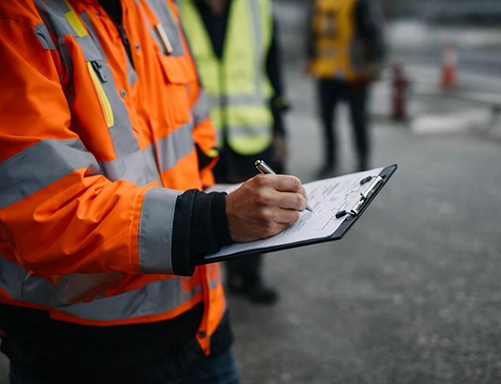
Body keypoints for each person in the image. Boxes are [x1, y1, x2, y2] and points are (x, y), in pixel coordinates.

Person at [0, 1, 308, 383]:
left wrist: (221, 210)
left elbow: (196, 136)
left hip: (203, 324)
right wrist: (215, 218)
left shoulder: (155, 7)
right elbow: (48, 213)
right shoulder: (15, 20)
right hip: (88, 351)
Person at [178, 0, 290, 305]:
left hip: (250, 131)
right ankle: (206, 287)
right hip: (197, 135)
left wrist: (280, 128)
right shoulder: (173, 7)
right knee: (202, 212)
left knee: (257, 208)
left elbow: (272, 68)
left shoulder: (258, 7)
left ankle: (248, 278)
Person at [305, 0, 386, 177]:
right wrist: (310, 56)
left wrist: (373, 61)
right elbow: (313, 31)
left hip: (354, 72)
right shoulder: (320, 3)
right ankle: (330, 160)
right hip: (326, 70)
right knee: (327, 119)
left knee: (358, 118)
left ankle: (363, 163)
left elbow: (373, 30)